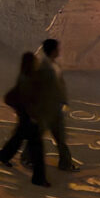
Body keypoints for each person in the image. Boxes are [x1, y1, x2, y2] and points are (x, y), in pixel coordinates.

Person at [0, 52, 48, 187]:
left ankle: (3, 156)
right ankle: (38, 178)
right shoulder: (28, 79)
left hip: (25, 116)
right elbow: (29, 100)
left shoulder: (24, 75)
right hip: (29, 117)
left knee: (18, 138)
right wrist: (34, 116)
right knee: (36, 148)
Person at [34, 39, 77, 172]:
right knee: (39, 135)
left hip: (55, 107)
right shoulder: (44, 67)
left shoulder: (54, 65)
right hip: (46, 108)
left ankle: (65, 163)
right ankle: (27, 157)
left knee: (60, 137)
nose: (59, 51)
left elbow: (60, 86)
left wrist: (63, 101)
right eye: (57, 49)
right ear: (53, 51)